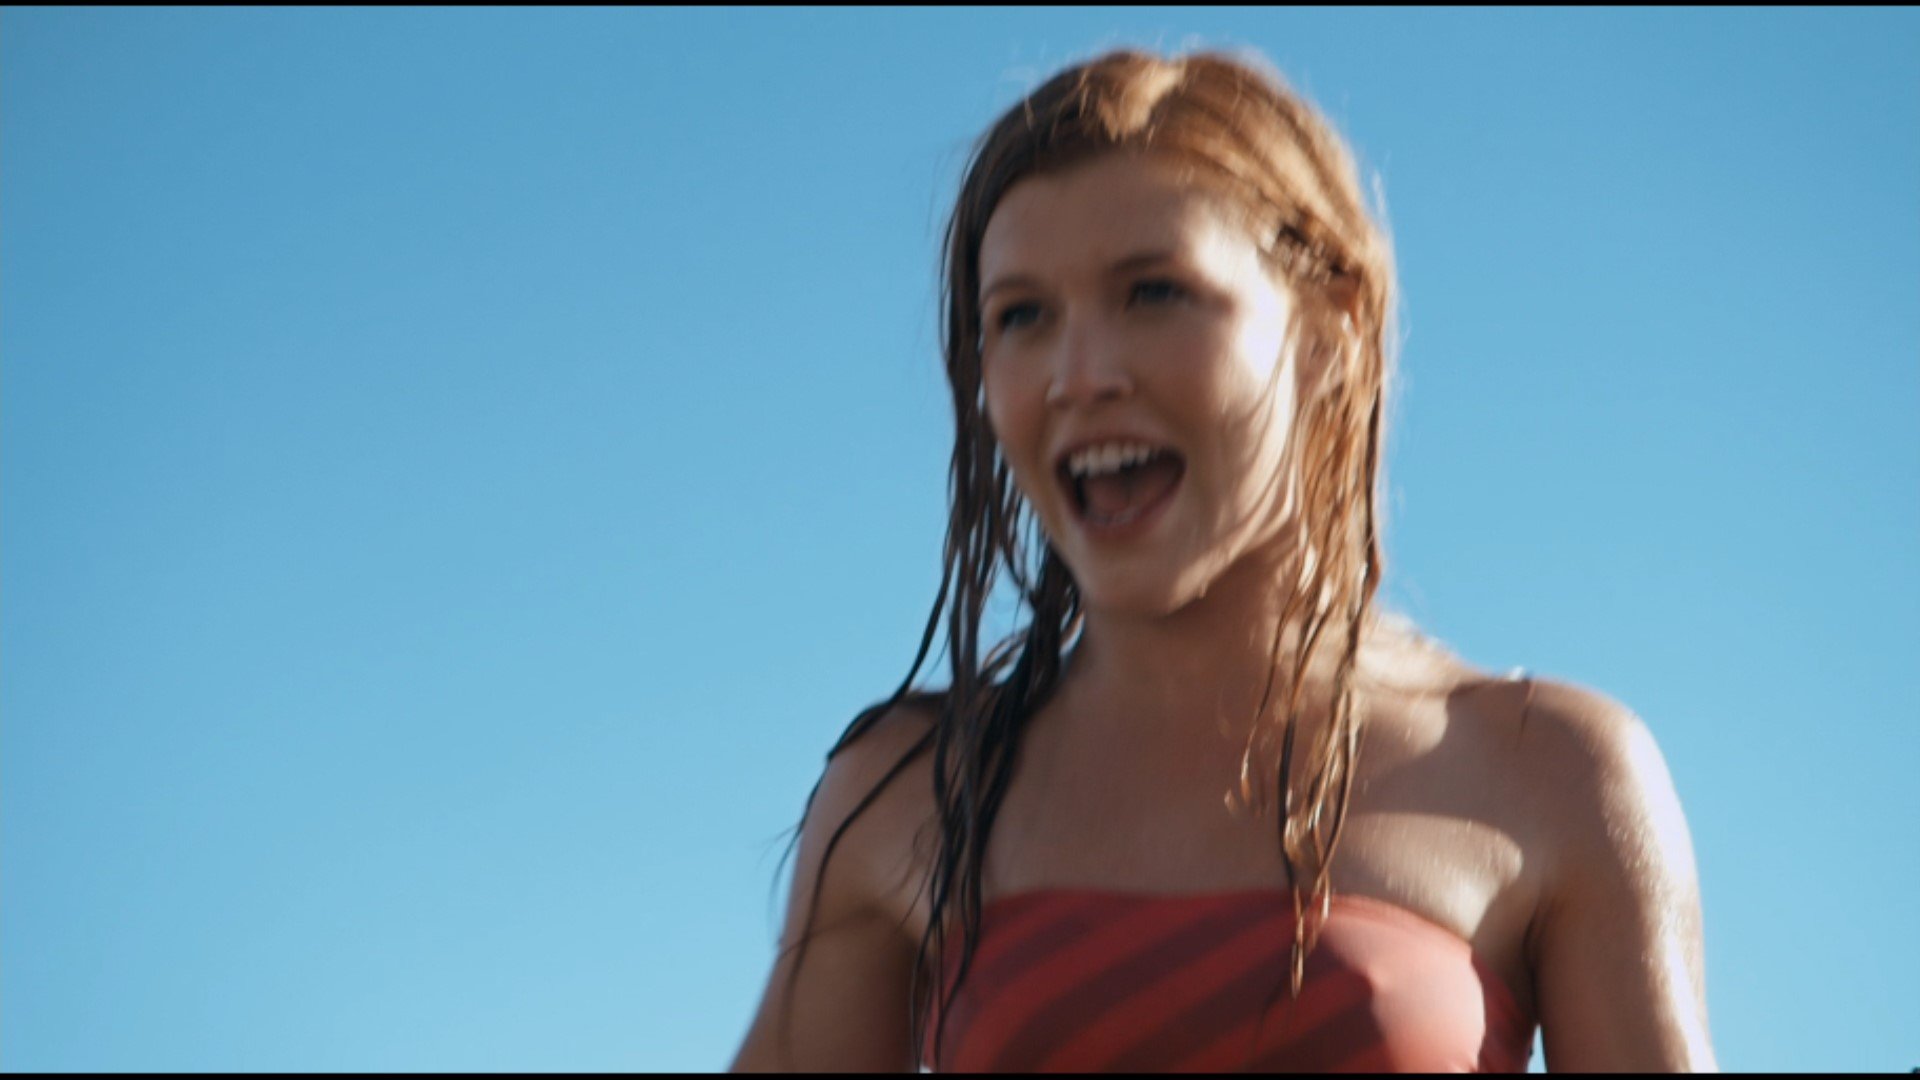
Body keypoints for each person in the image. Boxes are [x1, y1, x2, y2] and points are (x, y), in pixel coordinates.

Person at [730, 46, 1714, 1073]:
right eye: (1021, 316)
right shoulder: (911, 797)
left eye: (1154, 292)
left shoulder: (1547, 771)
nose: (1079, 376)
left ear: (1329, 329)